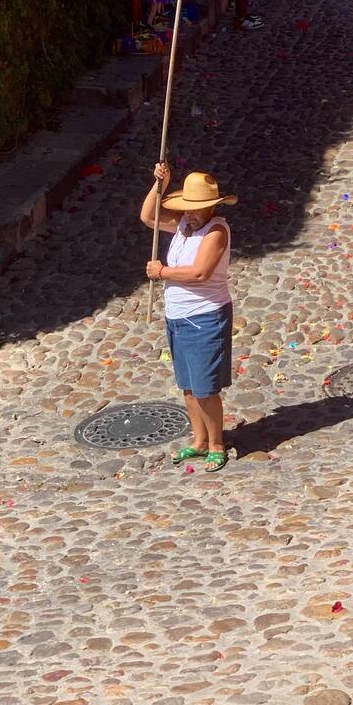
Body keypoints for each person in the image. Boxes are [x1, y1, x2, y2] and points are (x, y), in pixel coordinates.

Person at [141, 163, 236, 473]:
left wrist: (162, 272)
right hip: (177, 316)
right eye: (187, 209)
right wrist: (159, 186)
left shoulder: (217, 230)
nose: (190, 214)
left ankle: (217, 443)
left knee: (206, 387)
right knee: (187, 385)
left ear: (212, 207)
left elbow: (200, 272)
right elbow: (148, 217)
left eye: (198, 209)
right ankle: (198, 440)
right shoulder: (183, 225)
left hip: (205, 316)